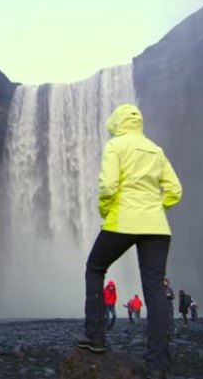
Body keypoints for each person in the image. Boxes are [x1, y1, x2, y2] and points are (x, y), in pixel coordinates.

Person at [76, 103, 182, 379]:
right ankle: (158, 365)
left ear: (117, 122)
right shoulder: (156, 150)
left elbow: (108, 186)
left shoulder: (116, 145)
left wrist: (106, 211)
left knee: (95, 268)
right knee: (155, 290)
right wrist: (156, 208)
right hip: (157, 227)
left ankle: (96, 336)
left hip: (122, 220)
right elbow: (175, 190)